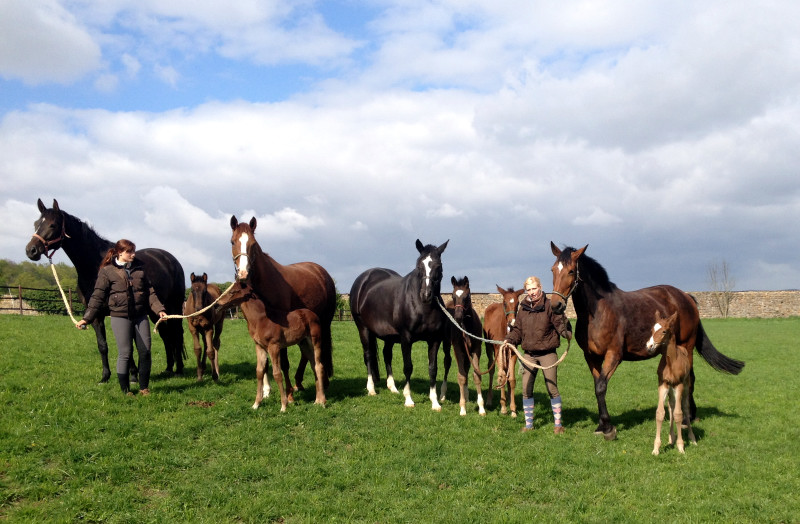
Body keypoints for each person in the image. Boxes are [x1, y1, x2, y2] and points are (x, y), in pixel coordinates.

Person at [76, 239, 167, 396]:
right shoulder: (107, 271)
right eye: (129, 252)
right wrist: (87, 318)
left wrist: (160, 310)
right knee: (125, 353)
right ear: (119, 253)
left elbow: (150, 292)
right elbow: (97, 296)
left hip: (140, 316)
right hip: (120, 317)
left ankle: (144, 388)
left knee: (145, 352)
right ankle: (126, 391)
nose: (133, 254)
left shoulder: (140, 269)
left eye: (133, 251)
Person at [504, 276, 572, 433]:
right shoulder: (523, 308)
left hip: (548, 354)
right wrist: (509, 340)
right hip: (529, 355)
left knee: (552, 388)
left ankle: (558, 425)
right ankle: (529, 426)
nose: (532, 292)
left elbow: (560, 325)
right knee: (526, 390)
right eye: (529, 290)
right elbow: (518, 331)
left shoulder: (549, 305)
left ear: (540, 287)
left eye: (534, 288)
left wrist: (566, 331)